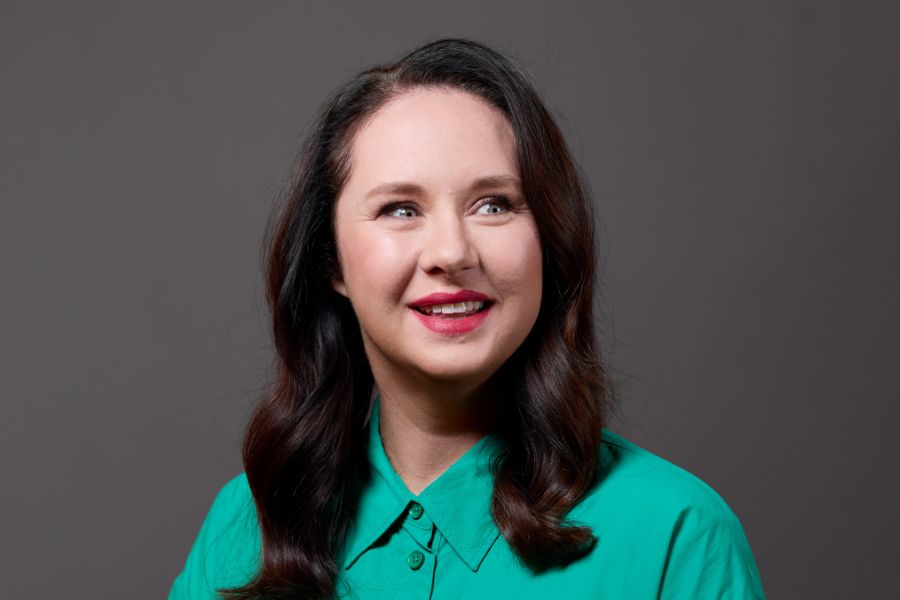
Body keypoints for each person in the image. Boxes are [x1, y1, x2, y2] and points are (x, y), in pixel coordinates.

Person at [168, 38, 766, 599]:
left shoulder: (678, 537)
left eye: (494, 204)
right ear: (333, 262)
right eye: (401, 209)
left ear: (548, 242)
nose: (452, 253)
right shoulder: (246, 526)